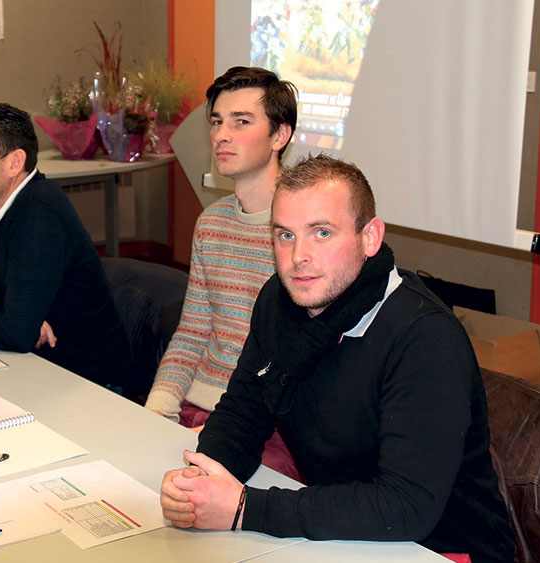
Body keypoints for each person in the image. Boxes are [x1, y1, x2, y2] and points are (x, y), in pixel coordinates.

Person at [159, 155, 514, 562]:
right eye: (285, 235)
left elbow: (406, 506)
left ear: (370, 237)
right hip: (344, 534)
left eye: (322, 233)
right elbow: (243, 413)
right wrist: (203, 478)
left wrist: (244, 509)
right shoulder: (278, 300)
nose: (298, 257)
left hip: (439, 548)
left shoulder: (425, 336)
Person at [0, 103, 130, 388]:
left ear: (14, 162)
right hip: (37, 365)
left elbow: (10, 332)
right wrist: (5, 322)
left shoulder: (39, 215)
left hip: (88, 381)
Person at [146, 66, 296, 432]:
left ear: (280, 135)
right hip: (196, 403)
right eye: (216, 122)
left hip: (263, 420)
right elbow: (193, 331)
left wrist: (230, 429)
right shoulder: (212, 222)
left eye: (241, 122)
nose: (221, 136)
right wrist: (157, 408)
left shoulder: (299, 230)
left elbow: (297, 361)